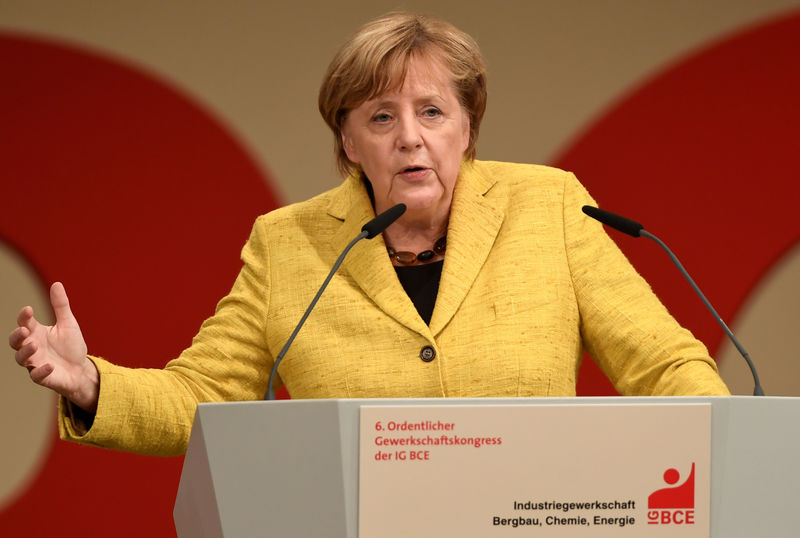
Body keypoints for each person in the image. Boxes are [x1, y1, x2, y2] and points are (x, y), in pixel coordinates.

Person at [8, 12, 729, 457]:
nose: (410, 139)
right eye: (381, 117)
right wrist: (90, 384)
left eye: (433, 112)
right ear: (348, 141)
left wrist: (723, 451)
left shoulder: (548, 205)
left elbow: (664, 365)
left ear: (469, 126)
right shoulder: (288, 245)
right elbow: (203, 395)